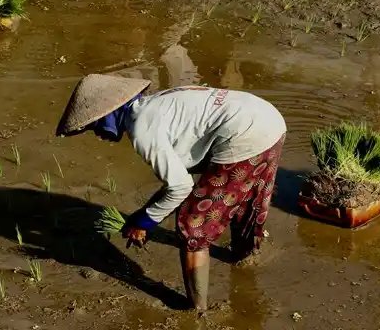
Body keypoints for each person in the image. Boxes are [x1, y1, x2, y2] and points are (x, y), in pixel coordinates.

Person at [56, 74, 286, 311]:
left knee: (192, 223)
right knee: (247, 199)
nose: (97, 134)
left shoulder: (142, 128)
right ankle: (246, 258)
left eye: (94, 125)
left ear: (107, 115)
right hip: (268, 120)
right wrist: (142, 217)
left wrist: (144, 222)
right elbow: (178, 181)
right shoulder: (157, 103)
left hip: (243, 135)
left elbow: (180, 188)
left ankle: (197, 308)